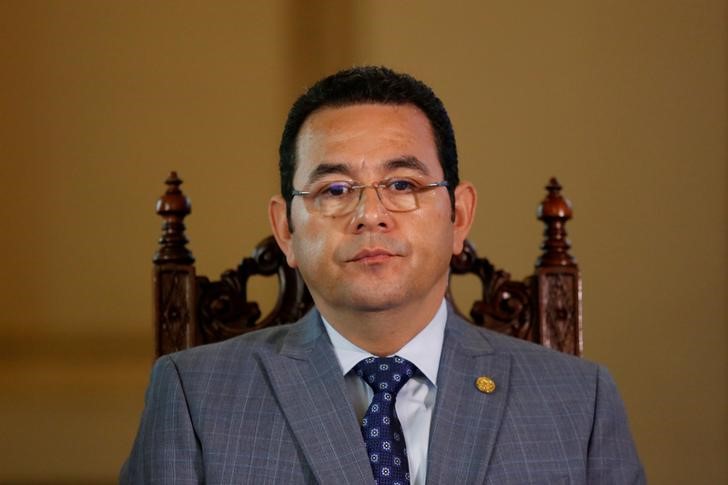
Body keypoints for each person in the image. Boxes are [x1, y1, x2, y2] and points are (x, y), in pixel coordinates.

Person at [121, 66, 644, 484]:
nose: (371, 214)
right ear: (285, 231)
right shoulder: (194, 396)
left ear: (459, 216)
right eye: (335, 190)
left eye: (402, 183)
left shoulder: (580, 402)